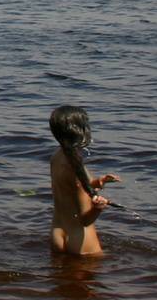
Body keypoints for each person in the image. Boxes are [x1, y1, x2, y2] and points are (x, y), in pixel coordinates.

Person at [48, 105, 120, 255]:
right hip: (80, 238)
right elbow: (85, 220)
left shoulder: (56, 158)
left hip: (57, 233)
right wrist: (98, 208)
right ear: (80, 131)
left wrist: (99, 181)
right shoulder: (74, 168)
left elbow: (71, 189)